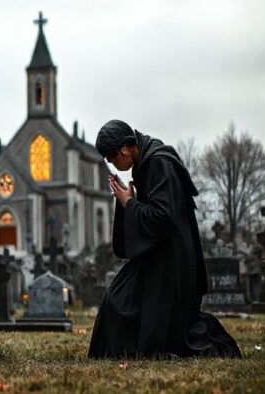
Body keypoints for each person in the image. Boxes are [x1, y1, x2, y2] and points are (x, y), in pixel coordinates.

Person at [88, 119, 241, 359]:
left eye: (111, 158)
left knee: (123, 303)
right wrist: (130, 201)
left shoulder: (159, 163)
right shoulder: (146, 162)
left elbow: (162, 218)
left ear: (125, 150)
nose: (112, 164)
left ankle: (210, 342)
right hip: (159, 253)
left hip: (172, 261)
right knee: (117, 297)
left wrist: (128, 202)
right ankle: (122, 350)